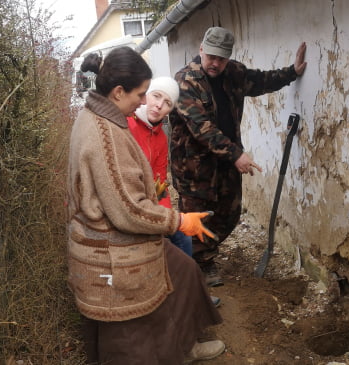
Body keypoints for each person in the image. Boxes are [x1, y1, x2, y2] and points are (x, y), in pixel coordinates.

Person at [67, 47, 225, 364]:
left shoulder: (101, 115)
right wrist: (179, 221)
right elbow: (128, 210)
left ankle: (185, 346)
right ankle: (175, 352)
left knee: (183, 272)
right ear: (118, 91)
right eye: (141, 94)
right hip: (110, 250)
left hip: (121, 236)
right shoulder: (105, 136)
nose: (144, 101)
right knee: (133, 331)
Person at [169, 27, 307, 287]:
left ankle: (199, 254)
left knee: (229, 213)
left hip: (225, 161)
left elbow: (261, 80)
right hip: (193, 166)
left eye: (221, 58)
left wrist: (292, 72)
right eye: (211, 56)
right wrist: (237, 154)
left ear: (229, 57)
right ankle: (198, 265)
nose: (215, 63)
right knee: (195, 217)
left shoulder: (234, 73)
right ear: (201, 50)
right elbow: (201, 127)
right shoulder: (186, 80)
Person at [126, 76, 221, 307]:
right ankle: (179, 296)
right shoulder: (125, 126)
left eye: (167, 103)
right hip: (129, 207)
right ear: (145, 95)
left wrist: (169, 220)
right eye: (156, 96)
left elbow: (160, 185)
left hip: (149, 207)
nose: (159, 106)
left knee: (181, 237)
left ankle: (187, 292)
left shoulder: (159, 137)